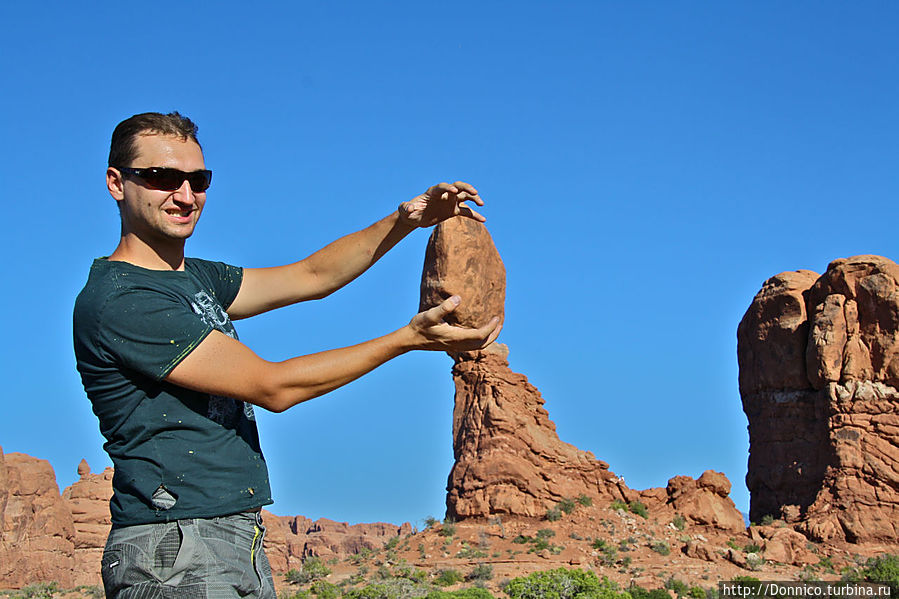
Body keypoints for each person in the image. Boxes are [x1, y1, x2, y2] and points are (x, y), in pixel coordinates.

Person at [73, 111, 502, 599]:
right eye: (162, 178)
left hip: (230, 537)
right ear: (117, 183)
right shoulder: (124, 300)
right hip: (177, 544)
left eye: (198, 179)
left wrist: (407, 219)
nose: (186, 195)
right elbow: (273, 387)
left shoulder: (193, 278)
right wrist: (407, 340)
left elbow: (312, 276)